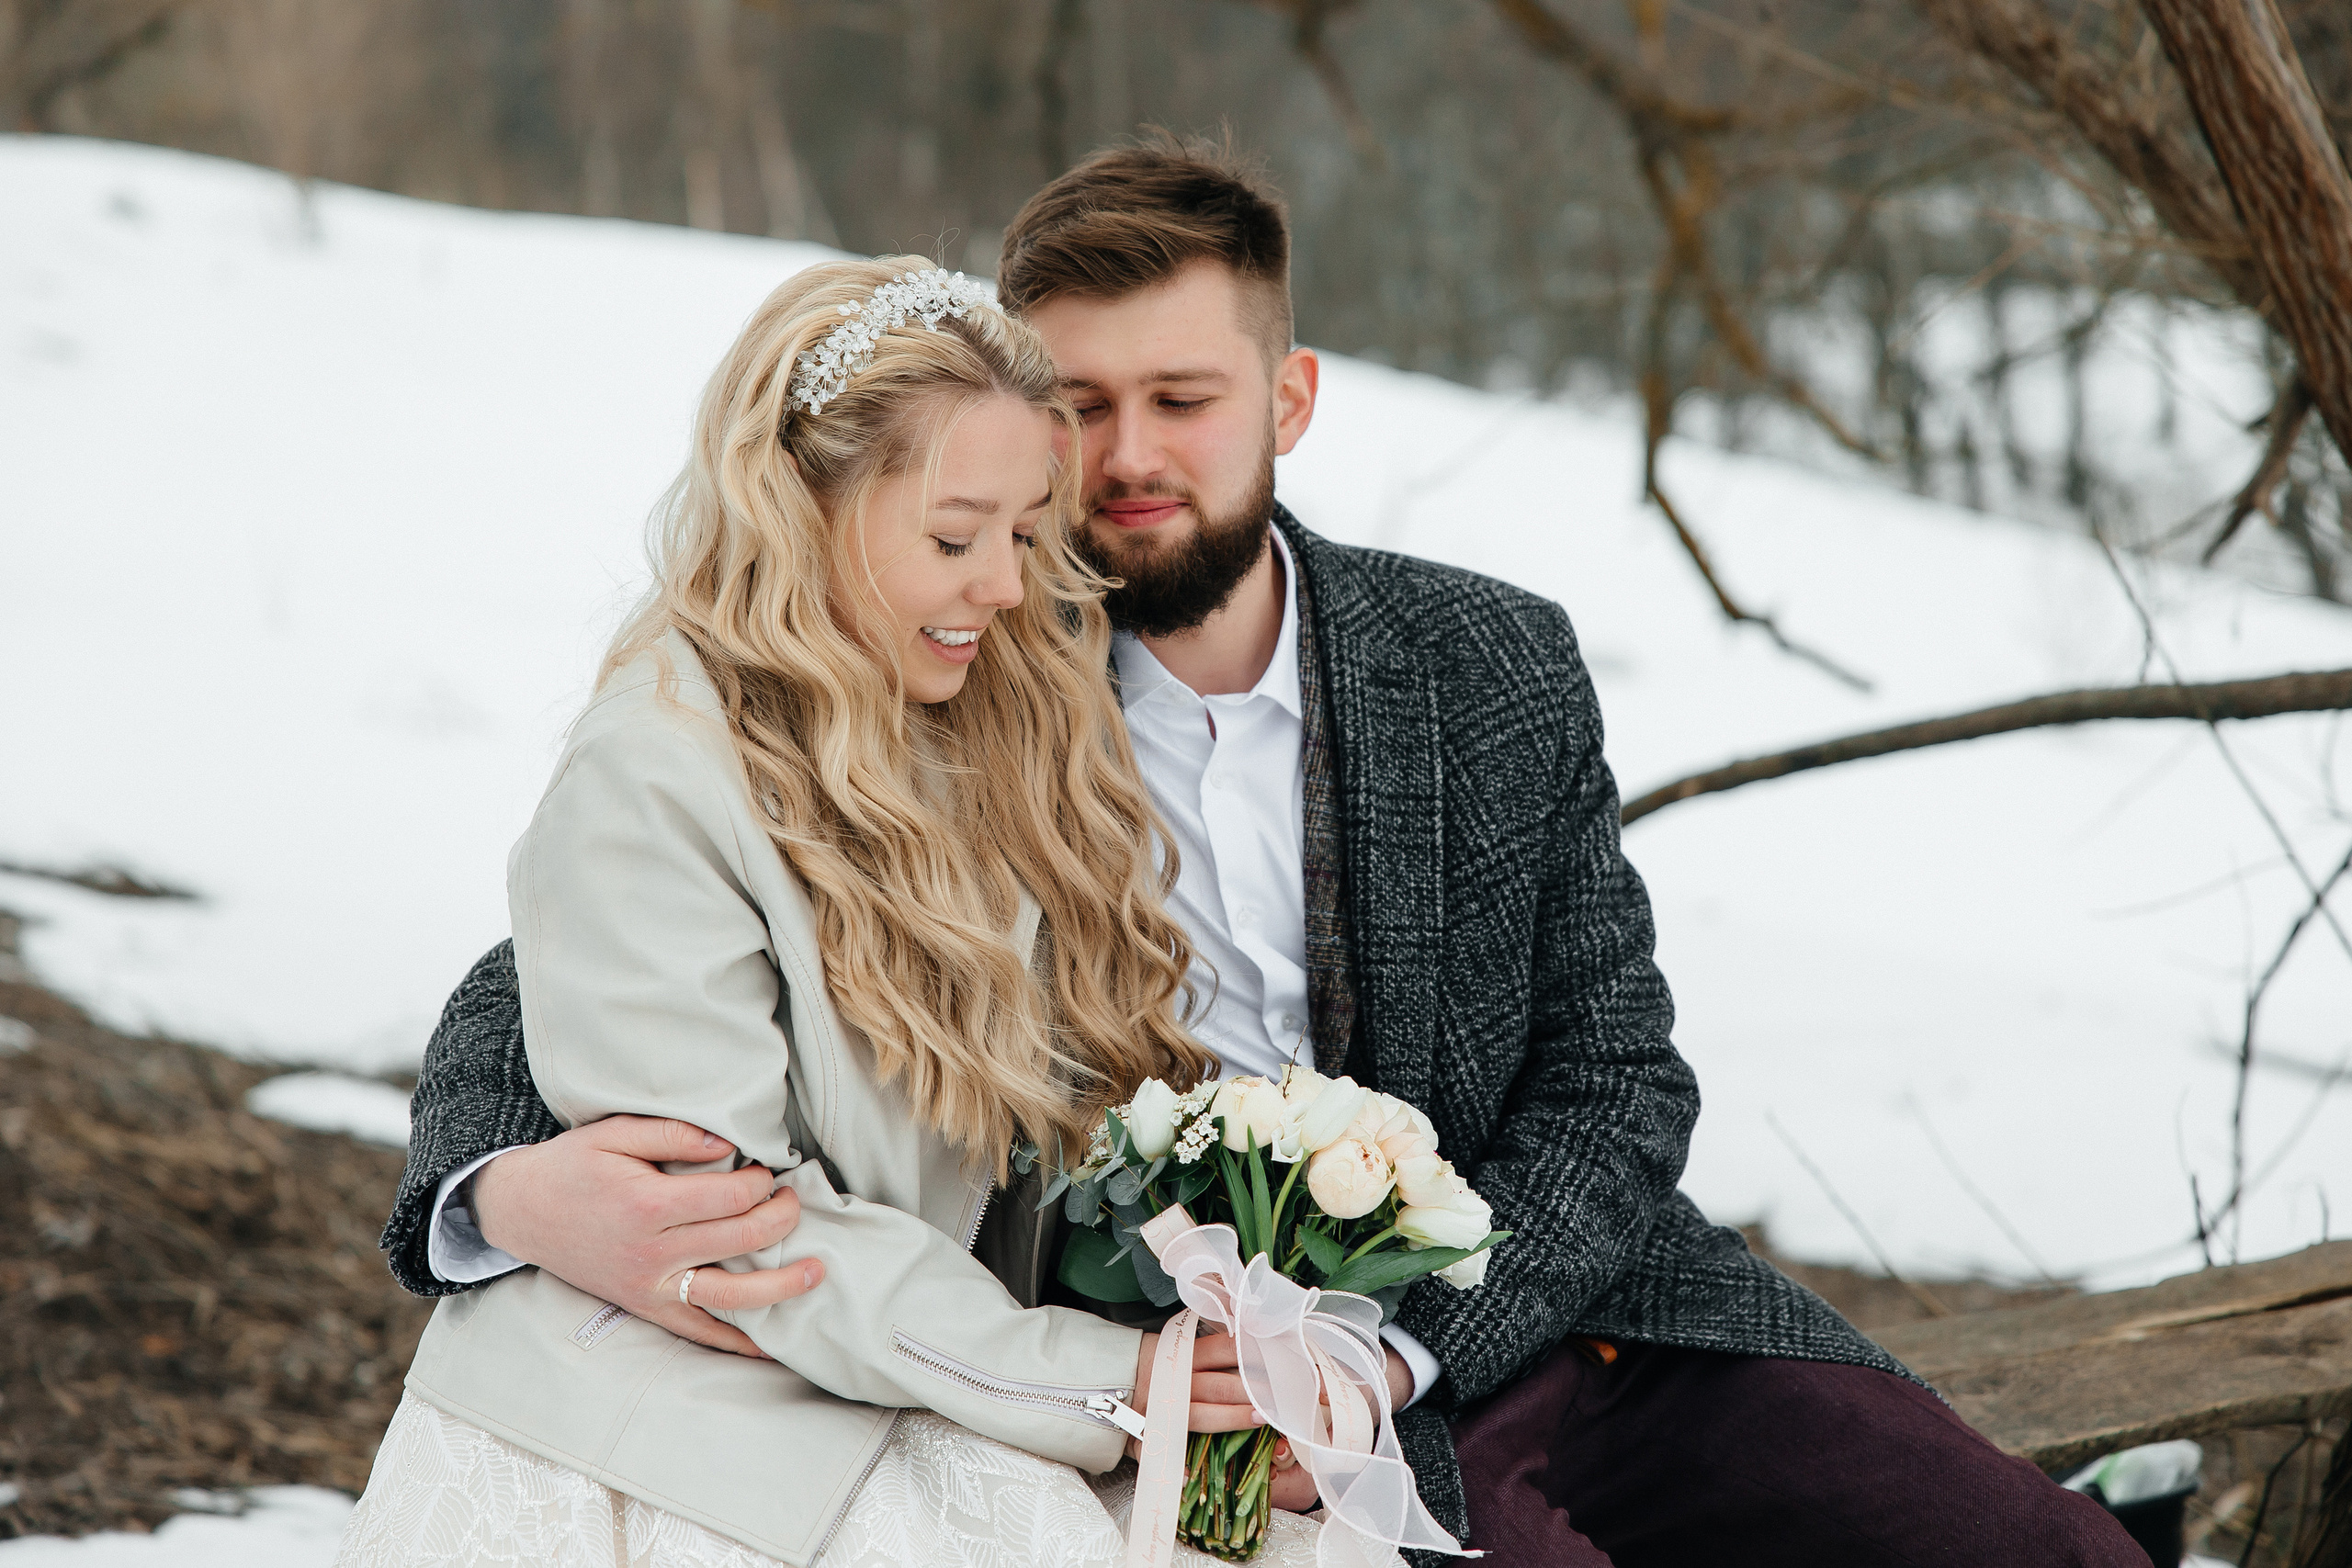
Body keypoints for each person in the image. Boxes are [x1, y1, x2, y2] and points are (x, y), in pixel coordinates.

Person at [381, 139, 2144, 1567]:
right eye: (1077, 408)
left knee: (2026, 1550)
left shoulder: (1482, 661)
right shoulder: (951, 669)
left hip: (1541, 1312)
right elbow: (568, 948)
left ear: (1289, 397)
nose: (1127, 460)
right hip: (1197, 1387)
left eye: (1184, 397)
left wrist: (1405, 1342)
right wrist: (497, 1191)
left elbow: (1617, 1079)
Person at [339, 255, 1367, 1568]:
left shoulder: (998, 701)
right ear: (803, 511)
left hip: (919, 1365)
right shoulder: (658, 771)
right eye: (955, 538)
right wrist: (1111, 1384)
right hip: (689, 1422)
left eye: (1024, 530)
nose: (1008, 584)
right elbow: (746, 1241)